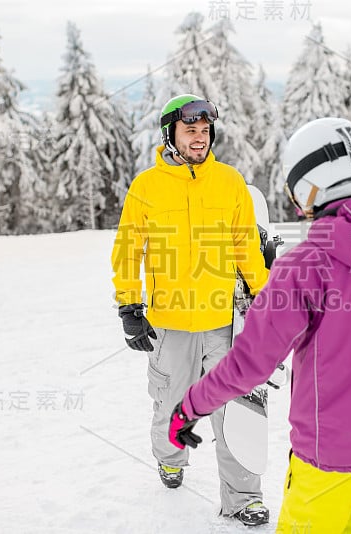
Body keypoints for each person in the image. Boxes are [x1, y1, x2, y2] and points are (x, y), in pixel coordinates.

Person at [167, 117, 351, 532]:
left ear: (307, 187)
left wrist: (191, 406)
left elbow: (251, 365)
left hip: (331, 458)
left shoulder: (304, 265)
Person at [111, 94, 271, 526]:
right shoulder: (146, 187)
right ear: (171, 135)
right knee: (170, 404)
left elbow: (246, 248)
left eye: (204, 131)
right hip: (170, 323)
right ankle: (170, 459)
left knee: (236, 410)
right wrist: (129, 305)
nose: (199, 139)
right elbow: (129, 250)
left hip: (224, 324)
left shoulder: (229, 181)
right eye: (190, 131)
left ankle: (243, 498)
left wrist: (264, 295)